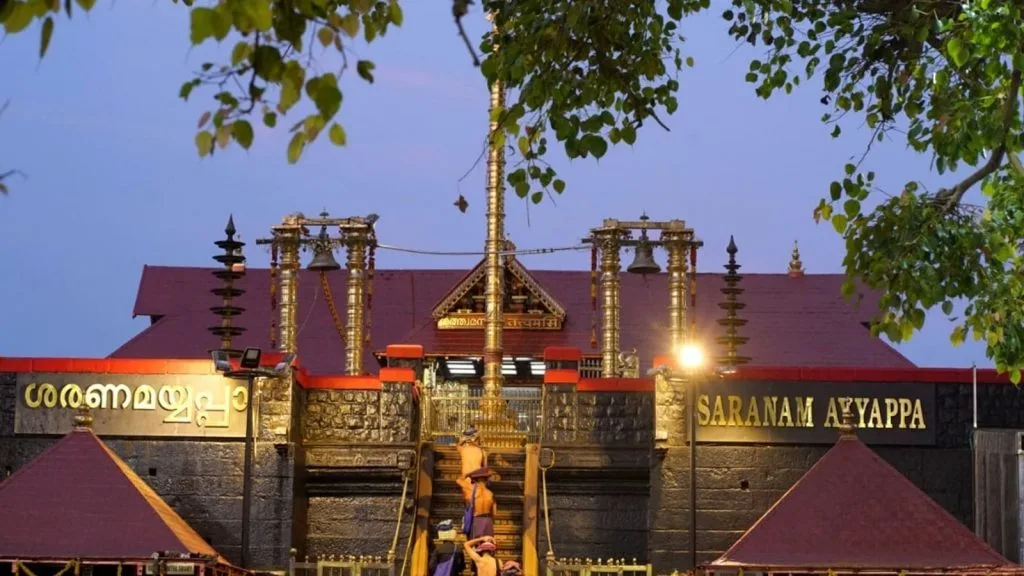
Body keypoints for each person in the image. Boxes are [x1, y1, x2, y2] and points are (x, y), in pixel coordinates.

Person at [460, 467, 497, 539]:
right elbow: (494, 513)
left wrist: (469, 474)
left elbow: (459, 480)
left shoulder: (469, 490)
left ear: (475, 479)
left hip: (476, 521)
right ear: (486, 479)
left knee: (474, 545)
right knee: (487, 546)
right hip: (488, 521)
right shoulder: (490, 493)